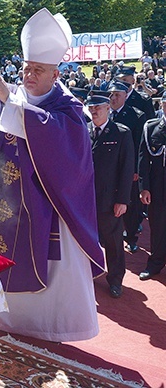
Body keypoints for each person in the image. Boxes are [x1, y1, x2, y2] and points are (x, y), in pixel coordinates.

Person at [0, 8, 105, 342]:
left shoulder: (68, 106)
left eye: (37, 71)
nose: (28, 76)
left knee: (53, 272)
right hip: (6, 203)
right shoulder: (15, 93)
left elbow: (63, 139)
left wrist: (12, 106)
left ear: (55, 74)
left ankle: (53, 328)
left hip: (46, 205)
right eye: (27, 69)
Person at [87, 93, 134, 298]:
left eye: (98, 107)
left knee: (114, 242)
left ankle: (115, 279)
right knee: (86, 240)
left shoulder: (121, 133)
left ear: (108, 108)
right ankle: (88, 275)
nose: (94, 111)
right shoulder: (83, 130)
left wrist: (122, 200)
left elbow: (126, 169)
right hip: (85, 199)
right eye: (91, 108)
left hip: (109, 199)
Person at [109, 81, 146, 253]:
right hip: (109, 168)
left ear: (125, 95)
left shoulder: (136, 116)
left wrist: (136, 170)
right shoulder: (105, 112)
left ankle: (131, 237)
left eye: (117, 95)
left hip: (127, 168)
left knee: (129, 203)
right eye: (111, 94)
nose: (113, 98)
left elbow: (140, 145)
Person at [138, 93, 166, 281]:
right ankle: (156, 263)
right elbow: (143, 158)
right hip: (158, 187)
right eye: (165, 103)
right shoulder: (151, 127)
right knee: (157, 226)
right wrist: (144, 187)